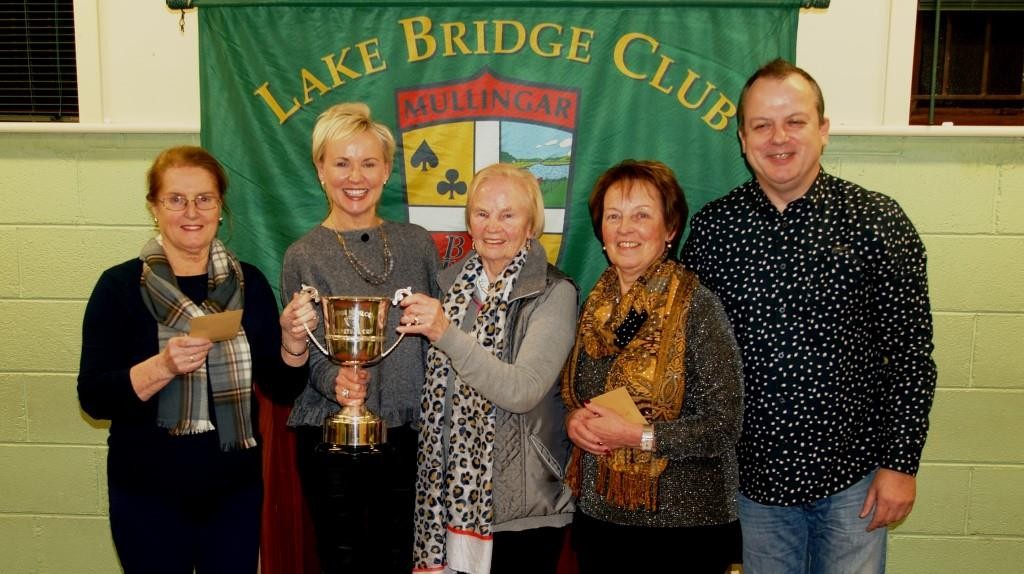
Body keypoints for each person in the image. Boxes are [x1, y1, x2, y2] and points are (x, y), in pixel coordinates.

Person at [682, 58, 937, 573]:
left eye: (795, 121)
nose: (779, 137)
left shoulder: (878, 223)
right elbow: (689, 360)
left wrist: (900, 465)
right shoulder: (713, 232)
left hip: (854, 481)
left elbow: (912, 357)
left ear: (822, 130)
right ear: (742, 138)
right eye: (762, 124)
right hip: (752, 488)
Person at [77, 145, 316, 574]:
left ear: (220, 208)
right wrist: (163, 366)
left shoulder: (249, 284)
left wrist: (293, 342)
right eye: (176, 199)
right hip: (146, 493)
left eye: (204, 198)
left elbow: (281, 386)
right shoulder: (117, 288)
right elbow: (94, 397)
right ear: (154, 207)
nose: (192, 211)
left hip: (233, 493)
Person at [279, 102, 440, 573]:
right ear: (320, 170)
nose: (356, 176)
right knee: (342, 560)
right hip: (330, 435)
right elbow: (302, 346)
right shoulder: (303, 254)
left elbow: (439, 335)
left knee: (402, 559)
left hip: (410, 432)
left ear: (388, 171)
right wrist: (335, 383)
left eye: (369, 163)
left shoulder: (416, 243)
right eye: (342, 162)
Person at [561, 159, 744, 574]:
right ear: (601, 232)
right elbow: (577, 394)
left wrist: (638, 435)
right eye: (614, 216)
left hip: (685, 529)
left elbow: (724, 425)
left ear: (670, 229)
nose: (626, 229)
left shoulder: (698, 306)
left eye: (641, 215)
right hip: (600, 517)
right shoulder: (595, 306)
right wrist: (574, 421)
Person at [400, 163, 577, 574]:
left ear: (531, 224)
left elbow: (522, 391)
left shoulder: (555, 292)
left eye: (508, 214)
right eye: (482, 213)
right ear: (469, 222)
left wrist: (446, 332)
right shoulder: (451, 287)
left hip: (526, 507)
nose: (492, 226)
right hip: (448, 502)